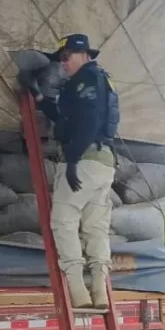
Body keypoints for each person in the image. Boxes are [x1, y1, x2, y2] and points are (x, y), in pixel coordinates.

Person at [36, 34, 118, 309]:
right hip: (104, 163)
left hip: (85, 160)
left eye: (66, 57)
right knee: (96, 227)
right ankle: (100, 291)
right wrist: (40, 99)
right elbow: (68, 118)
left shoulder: (86, 79)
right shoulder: (98, 80)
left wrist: (72, 159)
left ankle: (77, 291)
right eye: (61, 58)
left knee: (64, 222)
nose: (63, 63)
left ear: (83, 54)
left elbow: (90, 119)